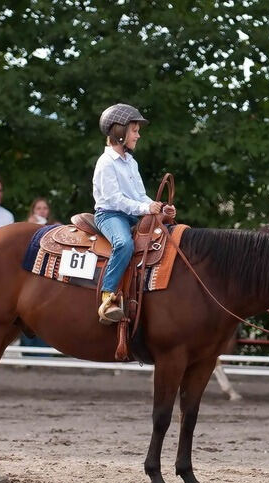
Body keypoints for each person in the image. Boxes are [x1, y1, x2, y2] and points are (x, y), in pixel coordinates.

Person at [93, 103, 176, 324]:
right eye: (135, 130)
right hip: (110, 215)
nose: (138, 136)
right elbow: (113, 200)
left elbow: (139, 195)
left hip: (131, 214)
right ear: (120, 132)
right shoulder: (106, 163)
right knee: (124, 244)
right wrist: (145, 209)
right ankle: (107, 297)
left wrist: (158, 207)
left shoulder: (131, 162)